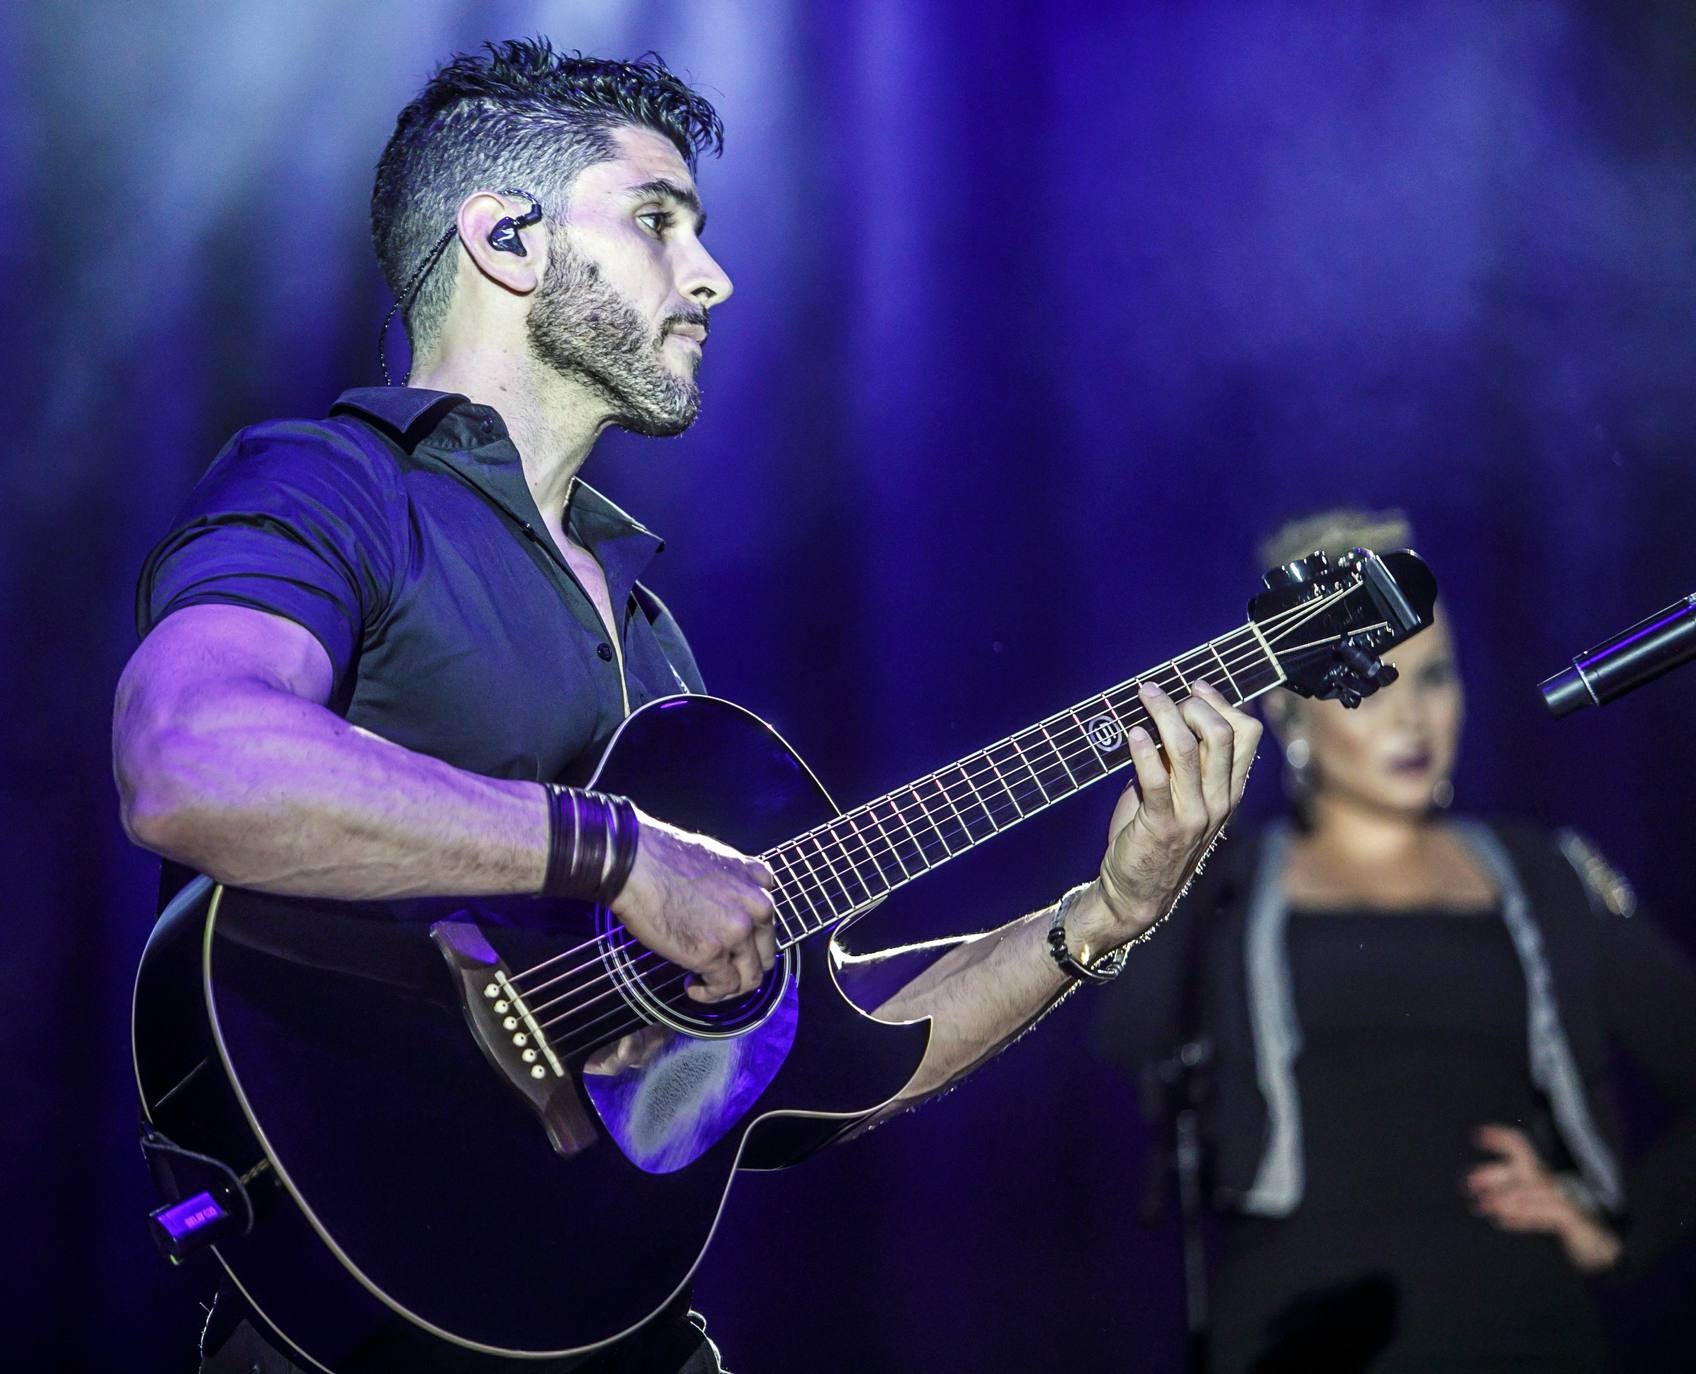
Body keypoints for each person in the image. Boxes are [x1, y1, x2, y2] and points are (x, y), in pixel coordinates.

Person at [112, 40, 1261, 1374]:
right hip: (351, 1325)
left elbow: (818, 1048)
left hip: (617, 1326)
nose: (711, 276)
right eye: (659, 223)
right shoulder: (336, 484)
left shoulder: (652, 639)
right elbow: (187, 759)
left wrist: (1101, 916)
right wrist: (617, 853)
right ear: (505, 239)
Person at [1094, 507, 1696, 1373]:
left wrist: (1618, 1232)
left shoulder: (1539, 870)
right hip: (1294, 1338)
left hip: (1521, 1329)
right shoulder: (1222, 880)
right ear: (1291, 708)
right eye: (1377, 680)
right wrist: (1156, 864)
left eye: (1437, 676)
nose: (1411, 717)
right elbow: (1117, 1047)